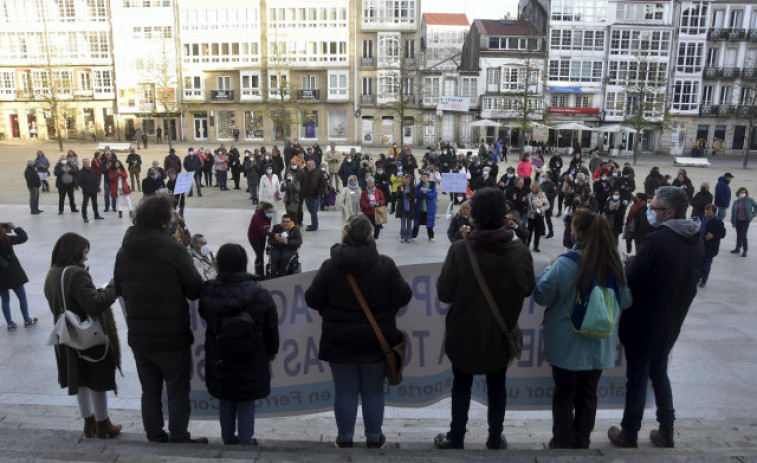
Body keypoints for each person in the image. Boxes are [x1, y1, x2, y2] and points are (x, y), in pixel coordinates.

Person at [435, 187, 535, 450]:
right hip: (500, 335)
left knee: (461, 385)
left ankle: (456, 437)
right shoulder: (520, 251)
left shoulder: (459, 251)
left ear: (475, 217)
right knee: (497, 385)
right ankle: (494, 438)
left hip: (464, 334)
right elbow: (528, 288)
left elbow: (444, 294)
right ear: (503, 215)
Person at [608, 186, 704, 449]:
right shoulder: (695, 239)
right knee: (659, 372)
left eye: (654, 208)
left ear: (669, 212)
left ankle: (628, 433)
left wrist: (629, 264)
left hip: (645, 320)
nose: (650, 212)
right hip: (671, 320)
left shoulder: (657, 241)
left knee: (638, 377)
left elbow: (633, 278)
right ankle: (666, 430)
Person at [305, 215, 412, 449]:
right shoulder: (385, 265)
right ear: (369, 236)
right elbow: (404, 296)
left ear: (345, 235)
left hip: (339, 340)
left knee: (344, 391)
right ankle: (374, 437)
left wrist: (330, 310)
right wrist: (387, 310)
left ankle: (345, 437)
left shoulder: (330, 266)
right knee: (373, 392)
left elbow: (312, 299)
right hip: (376, 341)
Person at [534, 211, 632, 449]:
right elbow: (626, 301)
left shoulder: (564, 263)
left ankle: (562, 441)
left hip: (566, 343)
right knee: (589, 394)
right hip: (599, 344)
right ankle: (582, 441)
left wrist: (548, 269)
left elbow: (542, 296)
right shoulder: (615, 262)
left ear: (577, 232)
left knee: (564, 394)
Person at [113, 194, 206, 444]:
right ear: (164, 222)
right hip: (171, 334)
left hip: (139, 336)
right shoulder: (173, 249)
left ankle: (154, 434)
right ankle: (179, 435)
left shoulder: (124, 250)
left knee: (150, 390)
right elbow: (195, 289)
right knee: (177, 390)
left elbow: (118, 287)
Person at [199, 243, 279, 447]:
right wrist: (271, 352)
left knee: (225, 401)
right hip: (252, 358)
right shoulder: (260, 293)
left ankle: (228, 441)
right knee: (246, 402)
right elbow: (272, 327)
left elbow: (203, 315)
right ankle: (245, 443)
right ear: (245, 263)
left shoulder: (209, 293)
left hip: (220, 357)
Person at [43, 232, 120, 438]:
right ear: (75, 251)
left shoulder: (52, 273)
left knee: (81, 381)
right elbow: (94, 305)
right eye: (85, 252)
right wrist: (112, 288)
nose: (86, 257)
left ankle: (89, 424)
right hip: (87, 337)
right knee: (98, 379)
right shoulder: (77, 274)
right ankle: (104, 425)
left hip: (67, 337)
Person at [1, 223, 37, 331]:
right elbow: (23, 237)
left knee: (5, 300)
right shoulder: (5, 239)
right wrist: (14, 228)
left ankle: (9, 324)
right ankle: (27, 320)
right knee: (21, 297)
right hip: (13, 272)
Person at [698, 204, 726, 288]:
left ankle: (703, 280)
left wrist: (713, 236)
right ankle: (697, 278)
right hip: (699, 245)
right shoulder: (700, 218)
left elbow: (722, 234)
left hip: (710, 247)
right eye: (706, 210)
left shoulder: (717, 222)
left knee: (706, 264)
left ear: (714, 212)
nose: (707, 212)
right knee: (698, 263)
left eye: (709, 210)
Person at [247, 203, 275, 277]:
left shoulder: (268, 215)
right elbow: (262, 230)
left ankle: (259, 272)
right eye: (269, 212)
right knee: (259, 255)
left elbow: (268, 225)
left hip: (262, 237)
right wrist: (273, 234)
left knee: (260, 255)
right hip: (254, 237)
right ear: (264, 210)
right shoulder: (257, 216)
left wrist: (268, 230)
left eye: (272, 212)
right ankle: (259, 274)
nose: (271, 214)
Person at [730, 187, 757, 257]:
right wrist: (733, 222)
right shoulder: (736, 201)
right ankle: (737, 248)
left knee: (743, 235)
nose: (742, 194)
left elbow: (756, 207)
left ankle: (745, 250)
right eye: (741, 192)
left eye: (744, 192)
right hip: (738, 220)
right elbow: (733, 212)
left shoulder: (749, 200)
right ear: (738, 193)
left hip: (745, 221)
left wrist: (752, 215)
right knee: (738, 235)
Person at [301, 160, 326, 231]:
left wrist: (310, 194)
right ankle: (313, 224)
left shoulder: (315, 172)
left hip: (312, 195)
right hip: (310, 195)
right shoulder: (310, 172)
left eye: (309, 165)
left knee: (313, 211)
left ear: (313, 165)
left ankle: (314, 225)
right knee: (312, 211)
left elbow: (313, 184)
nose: (307, 166)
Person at [413, 172, 437, 242]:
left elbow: (434, 195)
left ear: (428, 178)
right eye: (422, 177)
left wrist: (426, 193)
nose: (424, 179)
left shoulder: (432, 185)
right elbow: (416, 194)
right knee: (417, 223)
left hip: (429, 208)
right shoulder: (419, 185)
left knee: (429, 224)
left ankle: (431, 236)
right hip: (420, 207)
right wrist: (421, 193)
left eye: (425, 177)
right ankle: (414, 235)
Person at [526, 183, 549, 252]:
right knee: (529, 231)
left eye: (533, 187)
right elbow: (528, 205)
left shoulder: (542, 195)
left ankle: (536, 246)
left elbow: (548, 205)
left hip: (539, 216)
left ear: (537, 188)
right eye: (531, 187)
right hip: (531, 216)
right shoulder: (529, 195)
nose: (532, 189)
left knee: (537, 231)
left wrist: (542, 209)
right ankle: (527, 244)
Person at [394, 174, 416, 243]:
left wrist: (408, 193)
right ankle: (403, 236)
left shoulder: (412, 188)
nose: (406, 181)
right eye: (405, 179)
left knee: (409, 224)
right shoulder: (400, 187)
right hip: (402, 208)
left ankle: (409, 237)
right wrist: (401, 191)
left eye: (408, 180)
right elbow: (396, 196)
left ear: (410, 181)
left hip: (410, 208)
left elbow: (413, 197)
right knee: (403, 224)